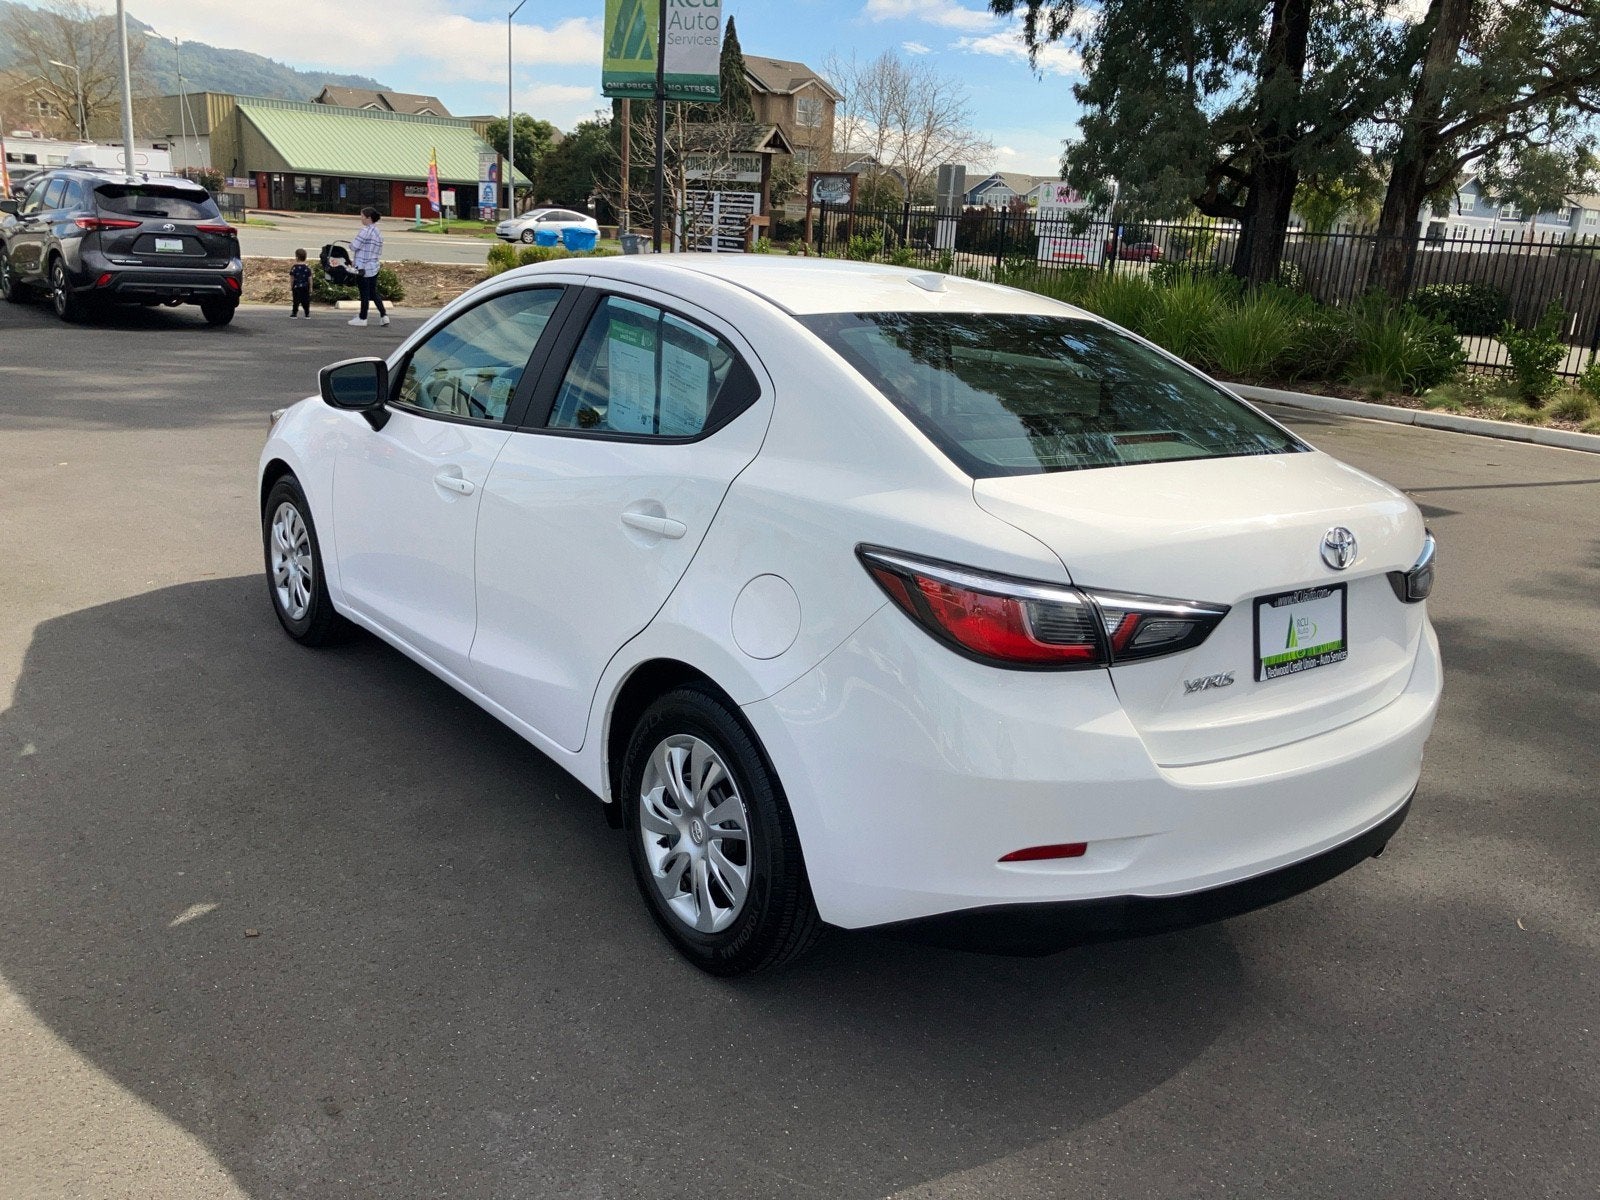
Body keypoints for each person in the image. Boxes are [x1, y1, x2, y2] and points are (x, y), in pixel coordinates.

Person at [347, 207, 389, 327]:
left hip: (362, 267)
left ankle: (363, 318)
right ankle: (383, 315)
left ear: (368, 218)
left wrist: (351, 244)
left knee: (364, 293)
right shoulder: (378, 232)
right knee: (373, 292)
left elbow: (354, 246)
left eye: (362, 217)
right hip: (373, 266)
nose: (361, 219)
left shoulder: (365, 231)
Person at [289, 248, 312, 318]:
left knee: (296, 300)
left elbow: (292, 278)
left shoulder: (294, 268)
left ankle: (294, 313)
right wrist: (311, 287)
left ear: (297, 257)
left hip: (296, 286)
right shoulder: (307, 268)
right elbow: (310, 278)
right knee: (306, 300)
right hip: (305, 286)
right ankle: (307, 313)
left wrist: (291, 286)